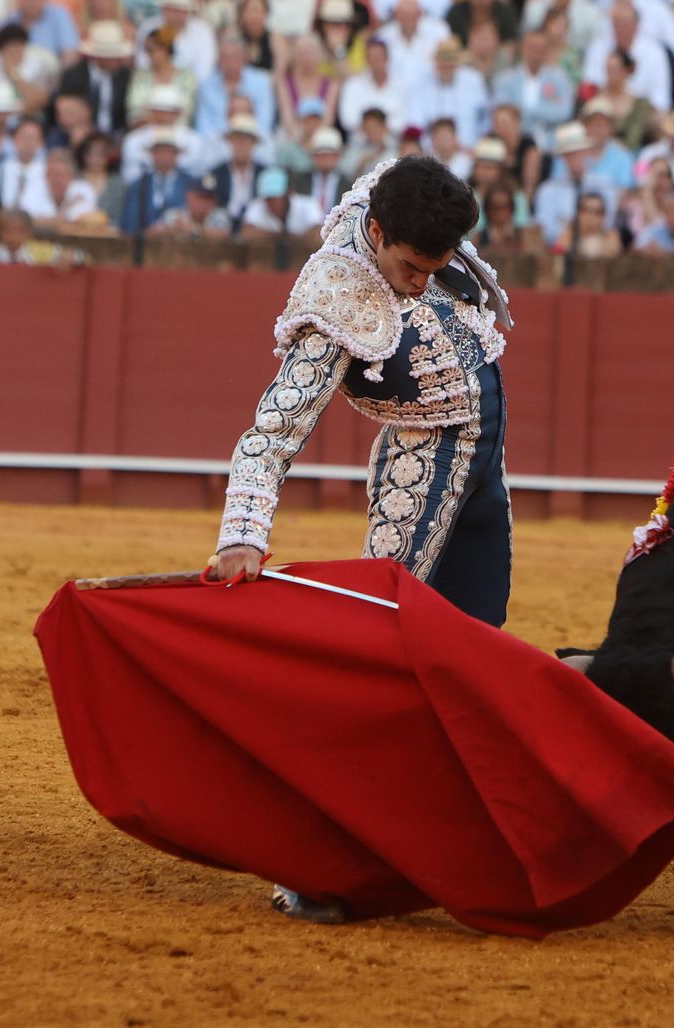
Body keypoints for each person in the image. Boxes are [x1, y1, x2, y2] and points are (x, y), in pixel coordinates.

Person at [210, 158, 513, 926]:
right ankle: (331, 864)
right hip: (425, 456)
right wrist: (243, 534)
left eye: (437, 268)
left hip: (481, 456)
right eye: (412, 269)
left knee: (475, 651)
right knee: (379, 661)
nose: (421, 284)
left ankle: (460, 838)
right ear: (376, 234)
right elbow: (268, 438)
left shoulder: (392, 199)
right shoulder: (335, 300)